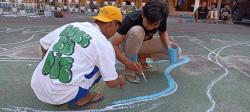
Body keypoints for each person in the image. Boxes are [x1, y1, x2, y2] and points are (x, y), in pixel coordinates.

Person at [31, 6, 125, 108]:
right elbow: (111, 83)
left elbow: (44, 44)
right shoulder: (104, 45)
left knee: (52, 55)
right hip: (59, 95)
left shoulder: (73, 25)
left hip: (38, 85)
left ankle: (54, 85)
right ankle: (81, 98)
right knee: (102, 65)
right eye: (117, 28)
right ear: (113, 24)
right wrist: (119, 79)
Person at [111, 0, 181, 83]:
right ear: (143, 14)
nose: (151, 27)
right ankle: (129, 69)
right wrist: (128, 63)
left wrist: (169, 47)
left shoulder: (160, 18)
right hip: (128, 45)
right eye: (149, 23)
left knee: (176, 51)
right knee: (138, 31)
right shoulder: (131, 18)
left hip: (143, 44)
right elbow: (113, 45)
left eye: (155, 25)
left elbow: (162, 32)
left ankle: (141, 58)